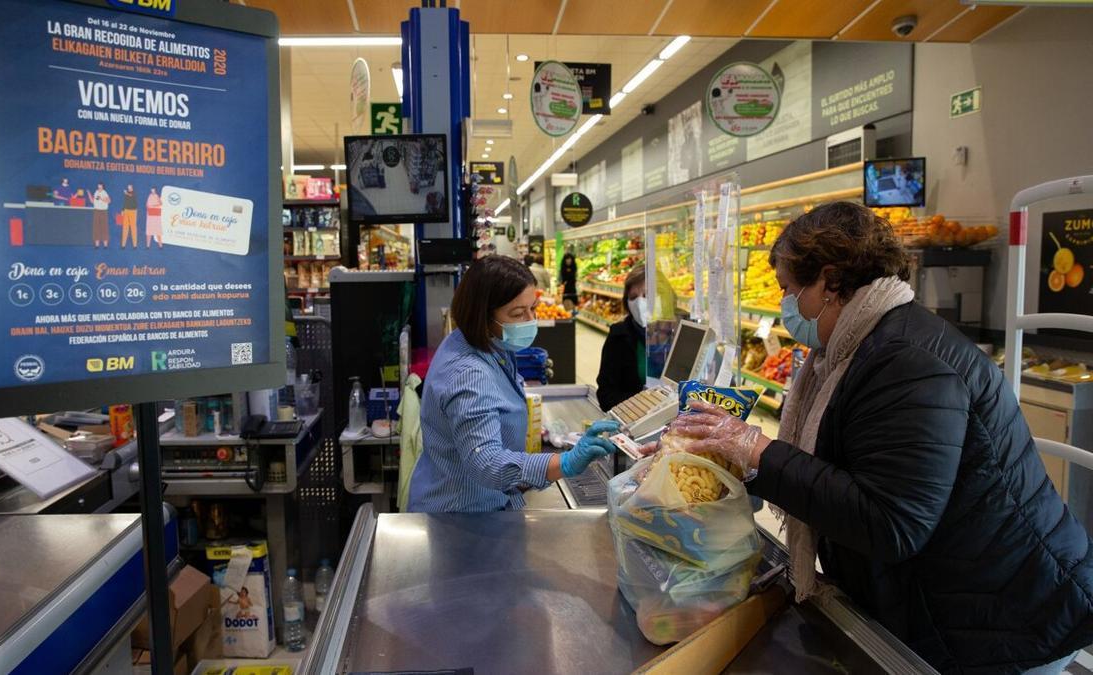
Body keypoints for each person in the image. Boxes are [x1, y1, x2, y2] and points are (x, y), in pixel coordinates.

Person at [672, 201, 1093, 673]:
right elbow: (846, 466)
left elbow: (892, 521)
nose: (786, 306)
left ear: (830, 282)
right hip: (961, 600)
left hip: (1008, 619)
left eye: (790, 290)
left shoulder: (906, 361)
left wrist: (758, 451)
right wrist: (723, 463)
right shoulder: (857, 347)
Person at [408, 255, 620, 512]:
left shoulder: (484, 342)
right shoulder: (468, 372)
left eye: (533, 308)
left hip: (485, 502)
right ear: (482, 316)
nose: (530, 320)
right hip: (460, 516)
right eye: (518, 313)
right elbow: (486, 462)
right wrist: (564, 462)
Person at [596, 265, 647, 411]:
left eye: (646, 296)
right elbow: (606, 395)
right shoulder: (619, 336)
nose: (639, 303)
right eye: (633, 297)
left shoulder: (681, 335)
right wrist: (644, 403)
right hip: (635, 421)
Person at [91, 182, 111, 247]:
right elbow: (93, 201)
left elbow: (109, 201)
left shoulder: (104, 193)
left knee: (104, 227)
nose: (99, 188)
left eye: (100, 187)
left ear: (103, 187)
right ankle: (97, 244)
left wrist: (101, 199)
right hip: (96, 210)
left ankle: (105, 244)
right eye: (98, 187)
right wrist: (89, 194)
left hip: (103, 211)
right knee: (96, 227)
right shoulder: (96, 192)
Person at [120, 184, 138, 248]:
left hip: (133, 211)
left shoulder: (134, 193)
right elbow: (125, 202)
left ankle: (135, 245)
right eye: (128, 188)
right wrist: (122, 210)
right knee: (125, 228)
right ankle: (123, 245)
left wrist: (126, 193)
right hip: (126, 211)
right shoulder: (127, 194)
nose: (129, 189)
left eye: (130, 187)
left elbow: (131, 195)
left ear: (132, 188)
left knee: (133, 228)